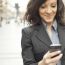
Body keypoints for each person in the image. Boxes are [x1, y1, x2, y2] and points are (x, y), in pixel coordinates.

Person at [21, 0, 65, 65]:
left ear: (58, 7)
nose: (49, 11)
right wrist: (42, 63)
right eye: (43, 7)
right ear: (36, 8)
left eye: (53, 6)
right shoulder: (27, 33)